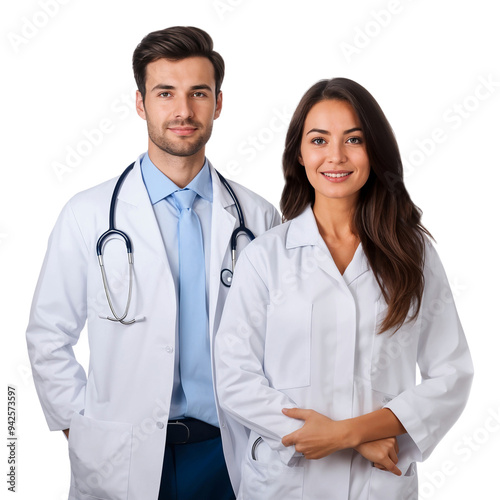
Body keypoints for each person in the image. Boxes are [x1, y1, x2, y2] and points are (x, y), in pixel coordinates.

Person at [26, 26, 280, 500]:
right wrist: (82, 429)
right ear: (141, 103)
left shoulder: (258, 218)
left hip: (228, 453)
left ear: (218, 104)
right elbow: (48, 333)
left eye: (198, 94)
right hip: (121, 456)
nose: (183, 111)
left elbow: (283, 342)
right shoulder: (88, 214)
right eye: (166, 93)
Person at [214, 77, 473, 499]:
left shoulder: (413, 254)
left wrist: (348, 434)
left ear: (374, 150)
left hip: (375, 482)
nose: (335, 156)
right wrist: (341, 437)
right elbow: (234, 378)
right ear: (299, 153)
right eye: (319, 140)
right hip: (285, 480)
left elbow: (452, 374)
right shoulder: (265, 256)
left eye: (353, 139)